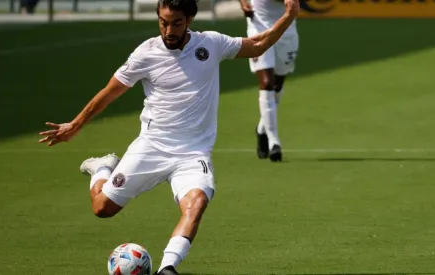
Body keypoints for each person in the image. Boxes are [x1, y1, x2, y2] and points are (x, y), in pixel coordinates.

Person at [38, 0, 299, 273]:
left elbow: (258, 45)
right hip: (151, 148)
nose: (169, 30)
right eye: (163, 22)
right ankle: (102, 167)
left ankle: (168, 267)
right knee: (102, 208)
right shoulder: (145, 53)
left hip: (193, 153)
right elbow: (110, 92)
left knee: (196, 202)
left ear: (188, 20)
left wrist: (290, 14)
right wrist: (75, 125)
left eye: (176, 23)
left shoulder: (211, 43)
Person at [240, 0, 300, 162]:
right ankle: (274, 141)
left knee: (277, 85)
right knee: (267, 82)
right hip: (258, 27)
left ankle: (262, 129)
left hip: (286, 30)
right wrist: (243, 2)